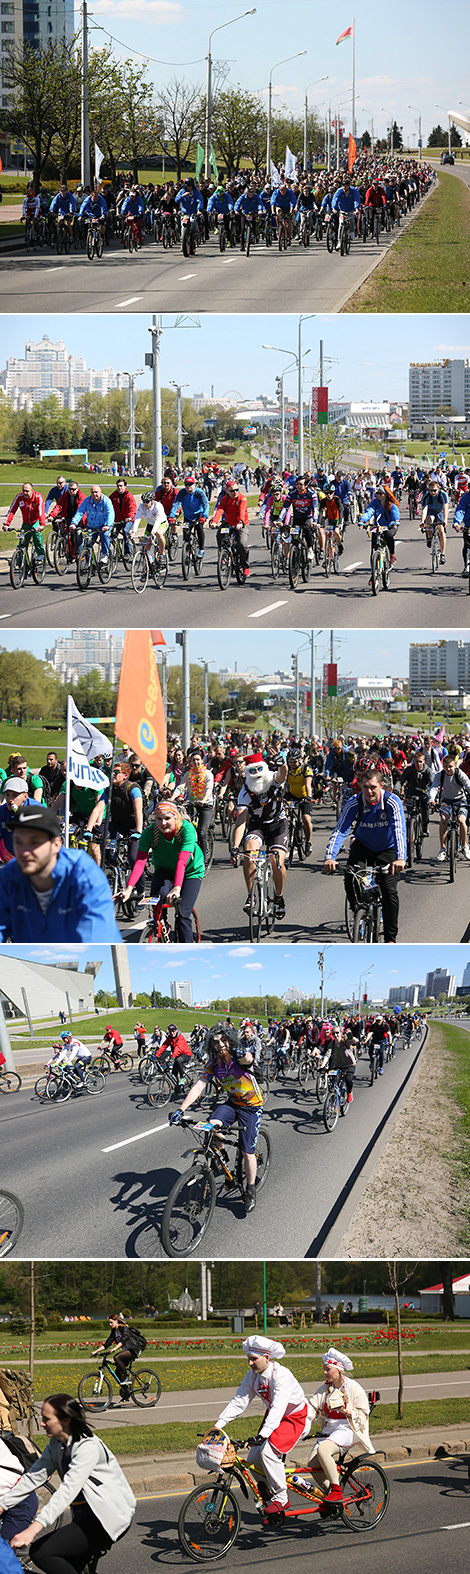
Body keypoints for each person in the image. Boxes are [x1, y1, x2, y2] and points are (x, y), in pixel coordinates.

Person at [0, 1393, 135, 1574]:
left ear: (65, 1420)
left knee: (41, 1553)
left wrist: (33, 1529)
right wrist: (2, 1505)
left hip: (107, 1519)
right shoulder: (56, 1444)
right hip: (85, 1518)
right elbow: (33, 1477)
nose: (41, 1423)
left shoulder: (87, 1447)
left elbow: (67, 1491)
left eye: (47, 1419)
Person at [170, 1021, 264, 1213]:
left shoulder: (238, 1057)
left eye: (223, 1040)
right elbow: (198, 1086)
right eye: (215, 1042)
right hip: (232, 1103)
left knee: (247, 1152)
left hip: (251, 1107)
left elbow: (248, 1059)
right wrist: (181, 1109)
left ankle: (251, 1190)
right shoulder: (214, 1064)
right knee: (211, 1125)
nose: (220, 1044)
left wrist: (240, 1052)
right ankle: (221, 1157)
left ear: (230, 1041)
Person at [216, 1335, 312, 1516]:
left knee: (268, 1452)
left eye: (254, 1359)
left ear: (267, 1358)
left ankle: (281, 1497)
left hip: (295, 1417)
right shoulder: (253, 1377)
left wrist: (263, 1435)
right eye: (248, 1359)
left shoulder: (281, 1375)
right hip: (274, 1418)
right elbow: (239, 1401)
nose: (250, 1363)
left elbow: (278, 1407)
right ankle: (267, 1492)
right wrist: (218, 1426)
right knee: (252, 1460)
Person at [0, 803, 122, 942]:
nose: (24, 852)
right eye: (18, 842)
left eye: (34, 842)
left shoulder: (84, 874)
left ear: (57, 845)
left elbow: (97, 939)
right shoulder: (8, 877)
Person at [324, 767, 406, 944]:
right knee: (351, 877)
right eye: (365, 787)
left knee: (389, 892)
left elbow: (399, 829)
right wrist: (330, 857)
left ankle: (391, 939)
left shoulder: (392, 802)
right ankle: (359, 910)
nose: (369, 791)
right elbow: (340, 830)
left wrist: (401, 858)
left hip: (388, 849)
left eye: (373, 787)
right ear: (360, 786)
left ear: (381, 786)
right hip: (363, 846)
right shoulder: (354, 802)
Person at [119, 798, 204, 944]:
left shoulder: (186, 829)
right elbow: (140, 862)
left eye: (167, 818)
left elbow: (182, 861)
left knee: (183, 914)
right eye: (159, 819)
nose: (163, 823)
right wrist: (129, 888)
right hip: (164, 870)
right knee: (159, 899)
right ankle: (163, 925)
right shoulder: (150, 832)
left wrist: (177, 888)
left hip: (191, 872)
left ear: (175, 817)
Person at [307, 1347, 374, 1506]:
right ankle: (332, 1496)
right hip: (329, 1430)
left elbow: (364, 1413)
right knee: (312, 1466)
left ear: (338, 1370)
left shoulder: (353, 1387)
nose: (325, 1372)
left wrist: (347, 1411)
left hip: (348, 1429)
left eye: (328, 1369)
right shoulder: (325, 1388)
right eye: (324, 1369)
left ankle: (336, 1491)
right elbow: (311, 1405)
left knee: (323, 1450)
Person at [91, 1315, 136, 1399]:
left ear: (116, 1321)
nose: (110, 1324)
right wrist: (96, 1351)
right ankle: (126, 1391)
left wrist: (114, 1349)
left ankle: (126, 1378)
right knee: (117, 1371)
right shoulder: (114, 1331)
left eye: (111, 1322)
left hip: (133, 1350)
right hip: (126, 1351)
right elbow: (107, 1344)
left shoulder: (124, 1329)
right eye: (109, 1323)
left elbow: (124, 1340)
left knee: (117, 1357)